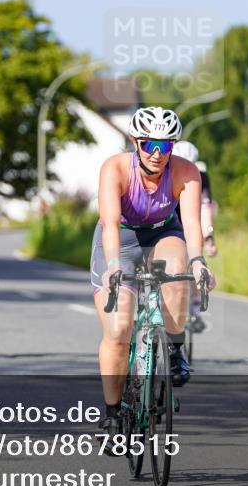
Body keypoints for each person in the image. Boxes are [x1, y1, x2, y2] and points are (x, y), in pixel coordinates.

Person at [91, 107, 217, 449]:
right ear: (136, 142)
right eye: (149, 145)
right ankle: (113, 413)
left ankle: (175, 350)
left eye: (165, 145)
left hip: (163, 234)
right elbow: (111, 224)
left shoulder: (186, 172)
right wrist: (115, 265)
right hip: (121, 239)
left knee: (177, 274)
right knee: (117, 331)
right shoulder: (115, 168)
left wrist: (198, 262)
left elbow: (191, 223)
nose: (157, 154)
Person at [171, 141, 217, 333]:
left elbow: (205, 208)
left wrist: (209, 238)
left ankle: (196, 309)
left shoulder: (201, 178)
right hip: (170, 220)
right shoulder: (165, 173)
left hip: (192, 221)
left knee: (195, 264)